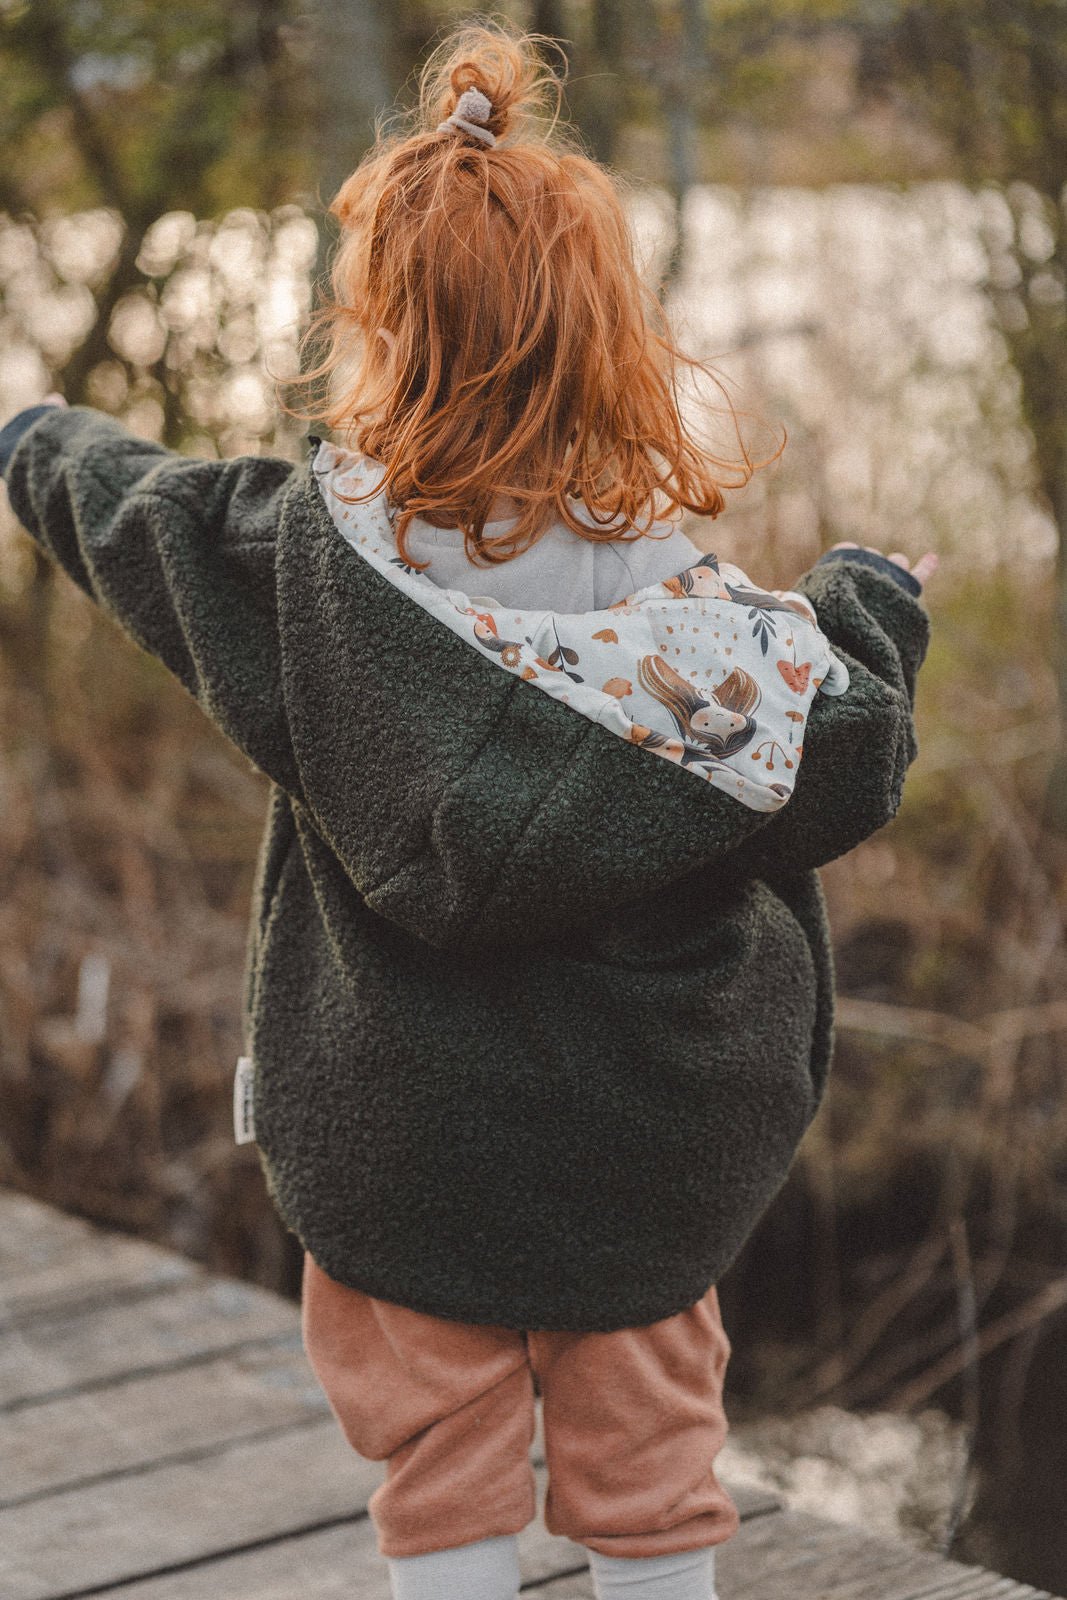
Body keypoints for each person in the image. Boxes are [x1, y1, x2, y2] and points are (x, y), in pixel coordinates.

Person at [0, 20, 936, 1600]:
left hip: (404, 1140)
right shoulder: (703, 624)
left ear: (376, 329)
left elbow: (122, 504)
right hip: (647, 1147)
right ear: (608, 336)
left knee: (437, 1485)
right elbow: (847, 737)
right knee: (652, 1481)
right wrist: (872, 601)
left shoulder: (295, 568)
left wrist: (26, 440)